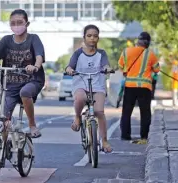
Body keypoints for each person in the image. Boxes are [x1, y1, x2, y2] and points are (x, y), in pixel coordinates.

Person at [0, 9, 45, 138]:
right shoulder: (6, 40)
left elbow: (39, 56)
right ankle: (2, 150)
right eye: (13, 23)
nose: (16, 25)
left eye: (19, 22)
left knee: (25, 92)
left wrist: (35, 66)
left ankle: (32, 125)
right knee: (3, 119)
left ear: (27, 24)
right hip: (9, 84)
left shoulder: (33, 39)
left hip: (32, 80)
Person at [65, 24, 113, 153]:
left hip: (98, 86)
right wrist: (69, 70)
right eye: (89, 36)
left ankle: (104, 140)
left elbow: (105, 64)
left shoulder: (101, 53)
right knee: (80, 98)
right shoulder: (78, 53)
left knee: (99, 112)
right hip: (81, 84)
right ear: (84, 37)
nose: (92, 38)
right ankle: (77, 117)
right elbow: (70, 66)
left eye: (95, 36)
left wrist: (107, 68)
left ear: (98, 38)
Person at [118, 32, 160, 144]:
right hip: (144, 87)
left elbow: (121, 66)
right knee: (145, 113)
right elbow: (156, 69)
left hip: (130, 86)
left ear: (138, 40)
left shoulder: (126, 51)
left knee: (126, 112)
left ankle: (125, 135)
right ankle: (144, 136)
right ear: (148, 43)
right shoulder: (150, 55)